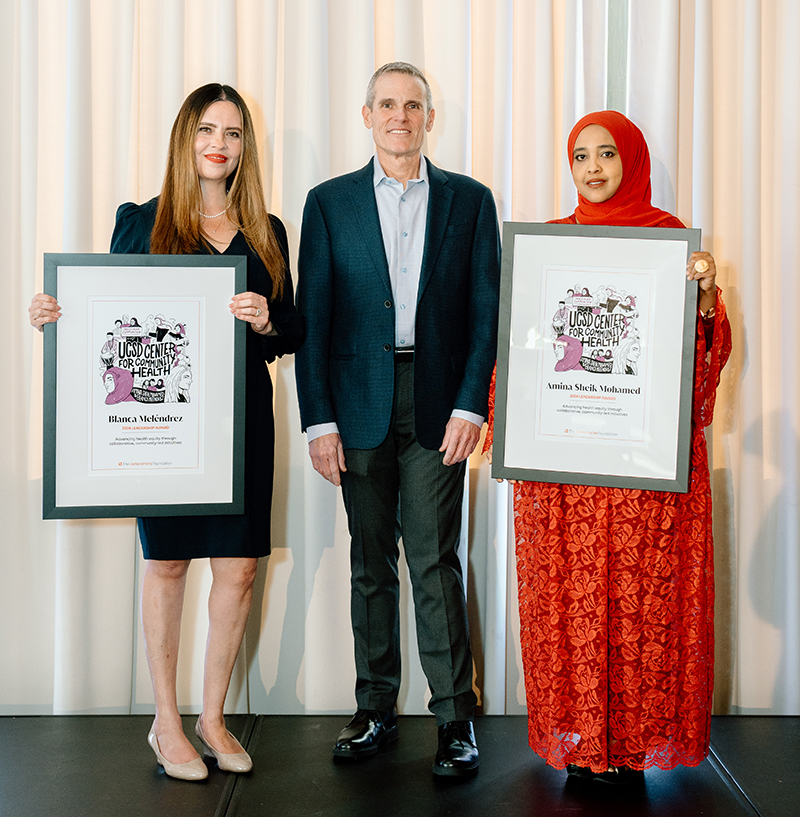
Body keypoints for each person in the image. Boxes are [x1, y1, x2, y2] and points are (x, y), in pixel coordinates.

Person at [29, 83, 304, 781]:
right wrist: (56, 314)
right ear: (185, 138)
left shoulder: (265, 229)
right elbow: (106, 315)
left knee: (239, 569)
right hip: (164, 428)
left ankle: (211, 717)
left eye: (234, 133)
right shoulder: (142, 221)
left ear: (246, 147)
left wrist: (266, 319)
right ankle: (166, 720)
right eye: (207, 129)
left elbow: (294, 331)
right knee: (169, 564)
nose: (220, 143)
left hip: (242, 422)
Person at [485, 110, 732, 783]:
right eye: (580, 156)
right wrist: (509, 426)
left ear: (632, 162)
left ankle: (633, 746)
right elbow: (525, 350)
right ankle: (582, 739)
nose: (592, 168)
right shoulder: (550, 248)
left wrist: (705, 300)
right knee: (571, 602)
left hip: (647, 476)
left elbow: (701, 373)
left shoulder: (671, 248)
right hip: (568, 474)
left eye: (606, 155)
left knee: (638, 604)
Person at [294, 62, 500, 777]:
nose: (400, 116)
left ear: (429, 117)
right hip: (356, 406)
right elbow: (314, 318)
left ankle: (454, 719)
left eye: (412, 105)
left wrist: (474, 402)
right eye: (387, 104)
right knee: (369, 563)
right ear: (367, 114)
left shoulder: (471, 202)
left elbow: (485, 316)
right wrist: (318, 421)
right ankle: (375, 707)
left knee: (435, 561)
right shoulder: (327, 204)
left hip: (442, 405)